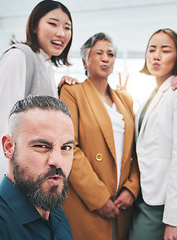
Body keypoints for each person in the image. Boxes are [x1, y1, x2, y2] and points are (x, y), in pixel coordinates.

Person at [0, 0, 74, 205]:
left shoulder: (45, 66)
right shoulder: (18, 55)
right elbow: (1, 126)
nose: (61, 33)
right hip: (1, 177)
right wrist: (7, 193)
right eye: (53, 24)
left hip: (24, 179)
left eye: (67, 27)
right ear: (34, 26)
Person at [0, 95, 75, 239]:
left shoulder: (57, 215)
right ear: (9, 147)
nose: (58, 161)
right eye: (42, 146)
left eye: (66, 147)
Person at [59, 32, 140, 240]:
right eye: (99, 53)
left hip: (122, 200)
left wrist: (132, 187)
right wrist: (98, 198)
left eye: (111, 54)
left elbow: (136, 148)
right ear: (86, 60)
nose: (106, 58)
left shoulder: (125, 99)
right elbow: (70, 148)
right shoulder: (72, 92)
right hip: (87, 199)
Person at [128, 28, 177, 240]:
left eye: (165, 50)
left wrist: (174, 220)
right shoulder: (151, 96)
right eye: (152, 49)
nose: (156, 55)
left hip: (163, 203)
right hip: (143, 195)